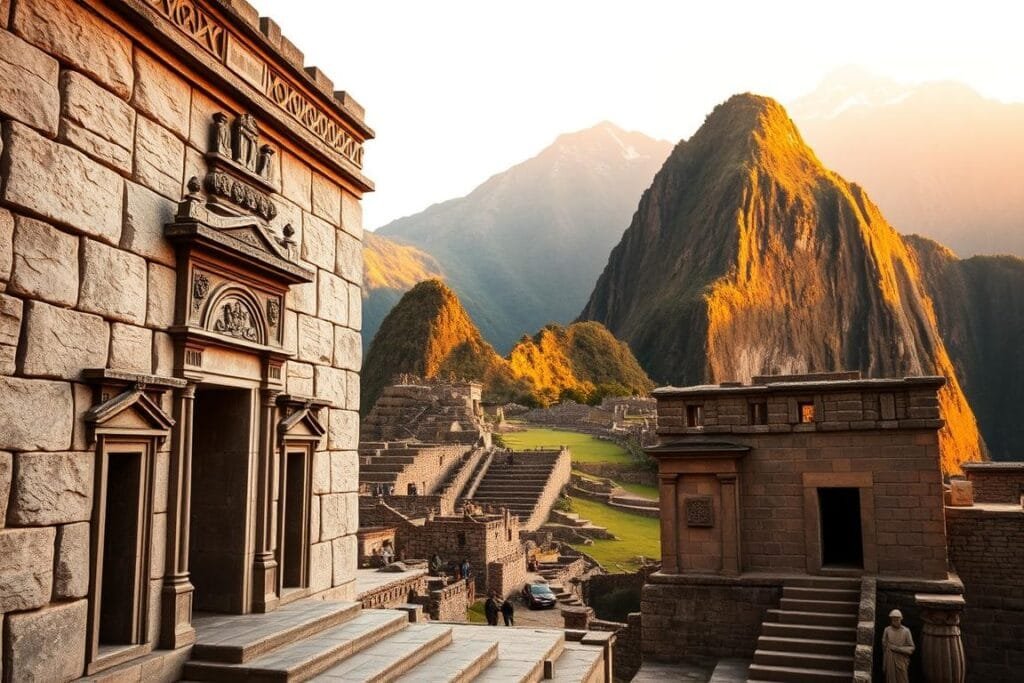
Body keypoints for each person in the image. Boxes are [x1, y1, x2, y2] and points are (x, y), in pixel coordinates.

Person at [883, 608, 915, 683]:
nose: (895, 622)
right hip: (890, 660)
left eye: (897, 619)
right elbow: (884, 646)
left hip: (901, 661)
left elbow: (911, 648)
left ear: (901, 619)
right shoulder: (887, 630)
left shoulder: (906, 631)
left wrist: (897, 649)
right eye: (894, 620)